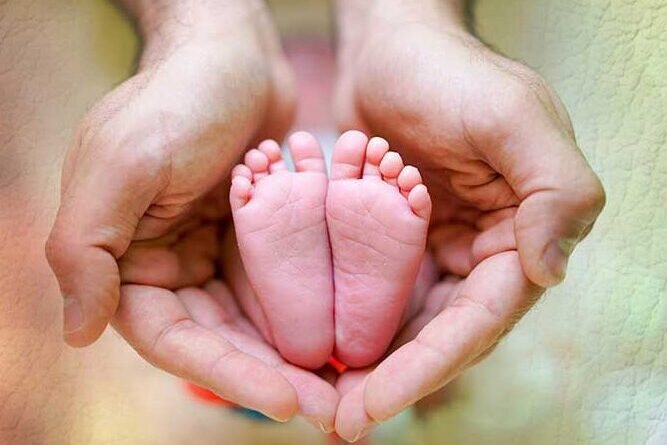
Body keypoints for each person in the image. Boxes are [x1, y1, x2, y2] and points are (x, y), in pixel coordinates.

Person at [44, 0, 605, 441]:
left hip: (245, 152)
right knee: (432, 269)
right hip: (374, 149)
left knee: (225, 253)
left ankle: (290, 324)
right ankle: (366, 331)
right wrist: (410, 16)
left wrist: (197, 28)